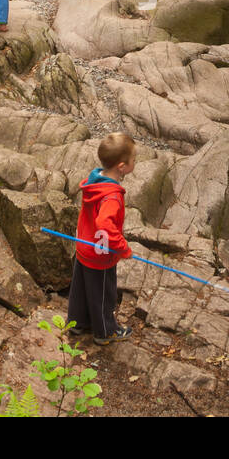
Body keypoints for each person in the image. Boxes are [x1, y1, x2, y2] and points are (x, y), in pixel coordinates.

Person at [67, 132, 136, 344]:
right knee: (104, 294)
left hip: (84, 246)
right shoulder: (112, 196)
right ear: (122, 167)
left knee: (81, 288)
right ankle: (105, 332)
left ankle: (77, 323)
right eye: (134, 160)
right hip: (101, 252)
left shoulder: (93, 181)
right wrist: (122, 246)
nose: (135, 163)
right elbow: (105, 224)